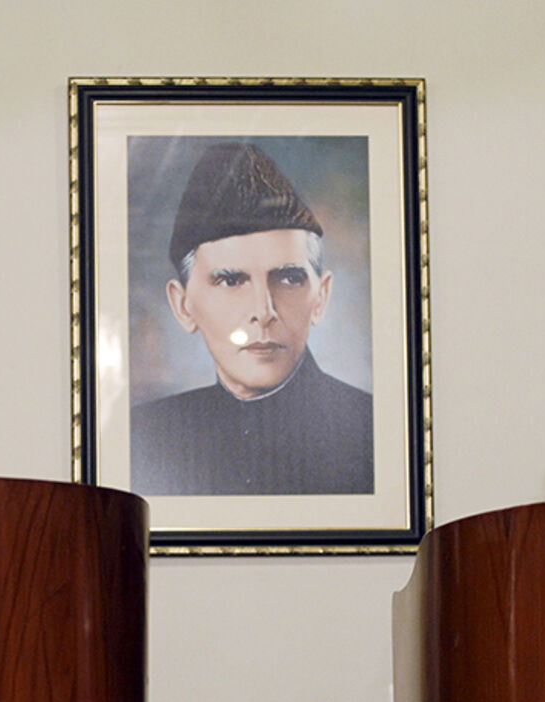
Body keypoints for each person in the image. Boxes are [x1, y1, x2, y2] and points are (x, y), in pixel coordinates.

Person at [130, 142, 373, 495]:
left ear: (320, 297)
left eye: (288, 277)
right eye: (230, 280)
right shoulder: (143, 434)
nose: (264, 310)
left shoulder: (374, 432)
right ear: (183, 306)